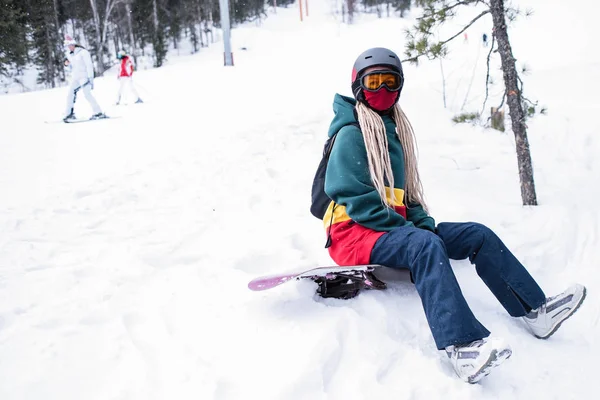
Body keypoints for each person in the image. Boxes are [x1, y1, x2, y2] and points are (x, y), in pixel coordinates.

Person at [320, 47, 587, 384]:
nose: (383, 91)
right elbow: (355, 197)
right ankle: (462, 346)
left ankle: (536, 311)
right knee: (423, 245)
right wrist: (414, 233)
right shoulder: (351, 133)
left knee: (476, 234)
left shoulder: (393, 135)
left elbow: (406, 197)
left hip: (389, 229)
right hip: (353, 232)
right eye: (375, 82)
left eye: (391, 82)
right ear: (359, 86)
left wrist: (424, 226)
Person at [62, 35, 106, 122]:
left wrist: (90, 78)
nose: (69, 47)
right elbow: (71, 68)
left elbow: (89, 66)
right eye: (67, 46)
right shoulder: (69, 55)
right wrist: (66, 65)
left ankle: (98, 112)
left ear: (73, 44)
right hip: (76, 78)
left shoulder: (83, 52)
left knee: (87, 95)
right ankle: (69, 114)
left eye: (69, 45)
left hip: (84, 77)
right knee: (70, 94)